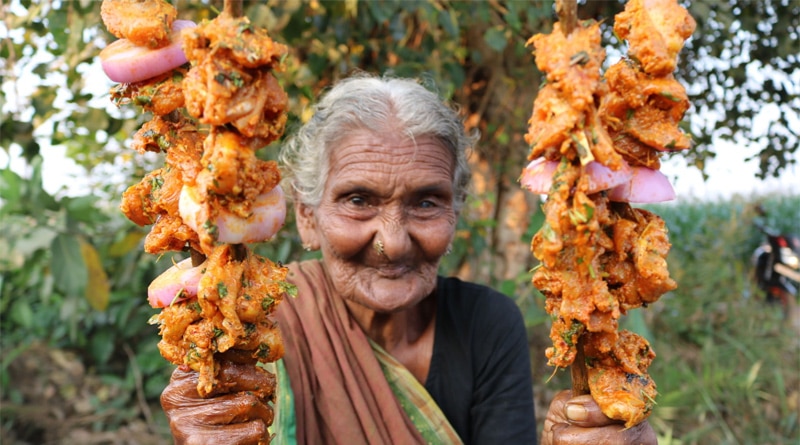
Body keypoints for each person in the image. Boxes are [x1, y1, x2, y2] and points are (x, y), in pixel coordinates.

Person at [160, 73, 658, 445]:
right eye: (358, 200)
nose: (394, 243)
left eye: (425, 202)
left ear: (455, 212)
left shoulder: (486, 324)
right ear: (308, 217)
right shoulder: (253, 323)